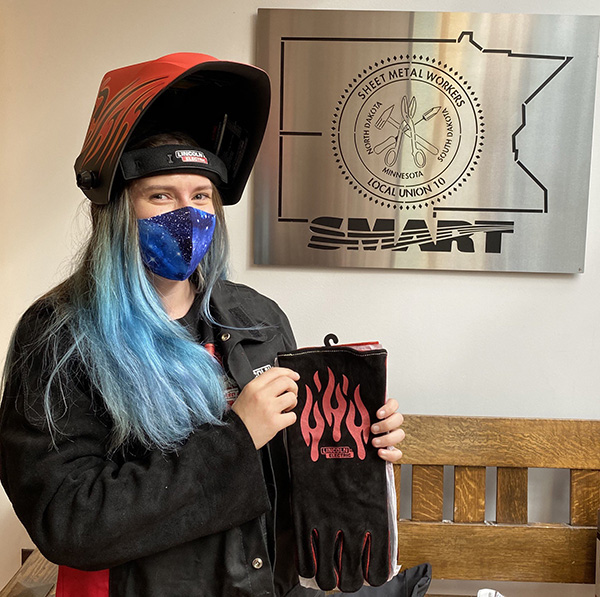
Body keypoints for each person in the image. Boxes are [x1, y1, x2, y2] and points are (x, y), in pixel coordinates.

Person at [0, 52, 404, 597]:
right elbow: (70, 521)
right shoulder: (61, 336)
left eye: (201, 196)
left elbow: (280, 474)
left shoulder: (254, 318)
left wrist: (349, 443)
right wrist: (237, 438)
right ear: (119, 209)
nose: (186, 214)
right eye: (160, 195)